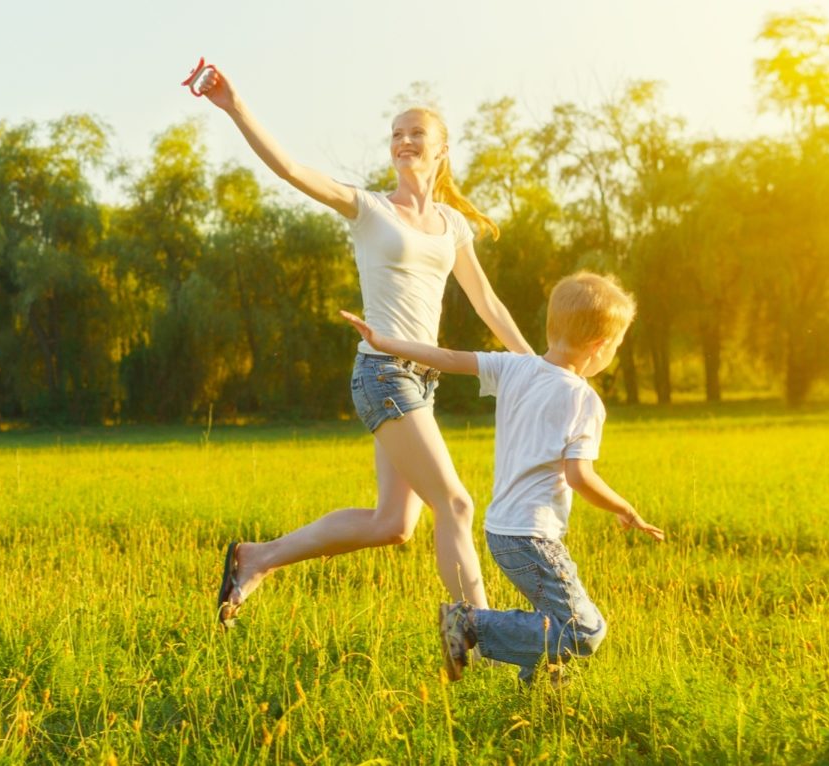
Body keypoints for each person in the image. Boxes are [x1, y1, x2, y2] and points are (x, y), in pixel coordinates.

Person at [192, 66, 535, 626]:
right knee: (456, 504)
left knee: (392, 525)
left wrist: (537, 365)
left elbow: (487, 304)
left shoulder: (452, 225)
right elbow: (292, 169)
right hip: (383, 374)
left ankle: (258, 556)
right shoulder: (370, 209)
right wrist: (235, 106)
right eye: (396, 133)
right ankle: (482, 630)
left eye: (416, 133)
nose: (403, 141)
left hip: (421, 378)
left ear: (442, 149)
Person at [340, 271, 663, 683]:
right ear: (600, 348)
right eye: (616, 345)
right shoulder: (583, 399)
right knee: (583, 631)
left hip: (500, 534)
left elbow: (448, 357)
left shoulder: (514, 368)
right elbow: (579, 476)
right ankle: (470, 625)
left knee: (550, 622)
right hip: (534, 537)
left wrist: (384, 344)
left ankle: (543, 692)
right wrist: (625, 508)